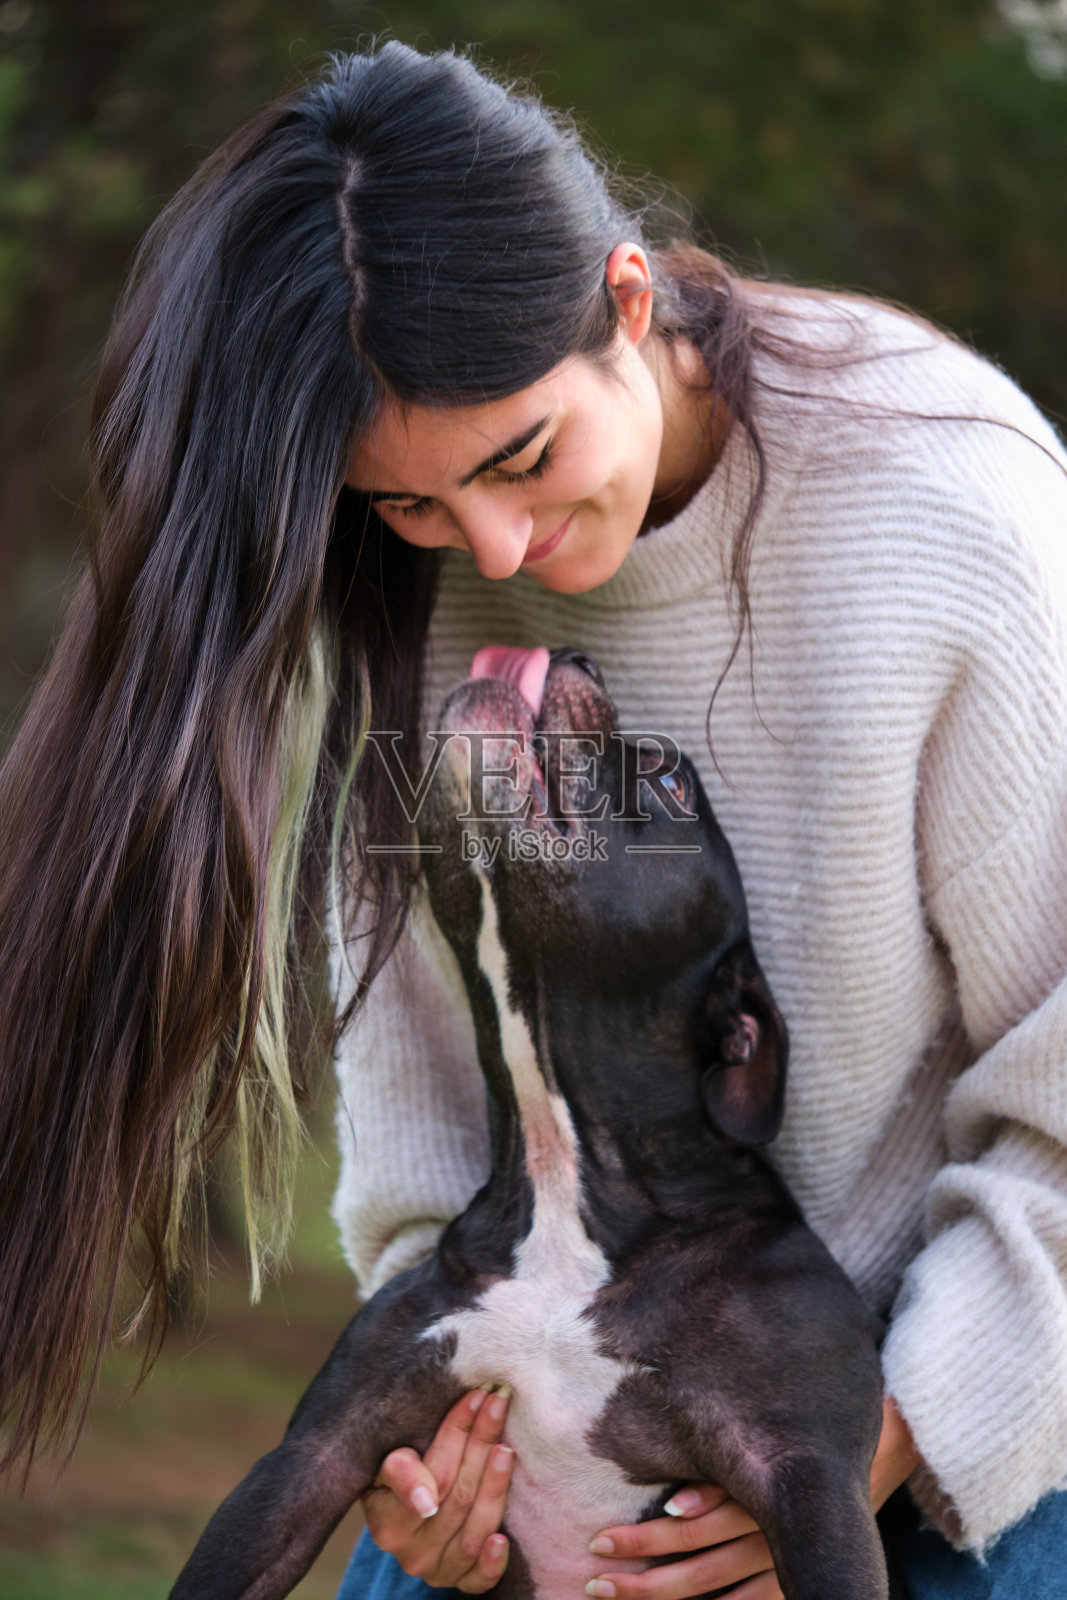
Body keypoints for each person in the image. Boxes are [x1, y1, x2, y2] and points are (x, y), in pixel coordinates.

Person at [1, 39, 1065, 1600]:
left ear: (627, 300)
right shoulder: (413, 570)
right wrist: (445, 1456)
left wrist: (875, 1449)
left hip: (938, 1435)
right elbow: (425, 1079)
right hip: (534, 1428)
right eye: (416, 506)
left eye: (523, 458)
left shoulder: (957, 512)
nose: (497, 544)